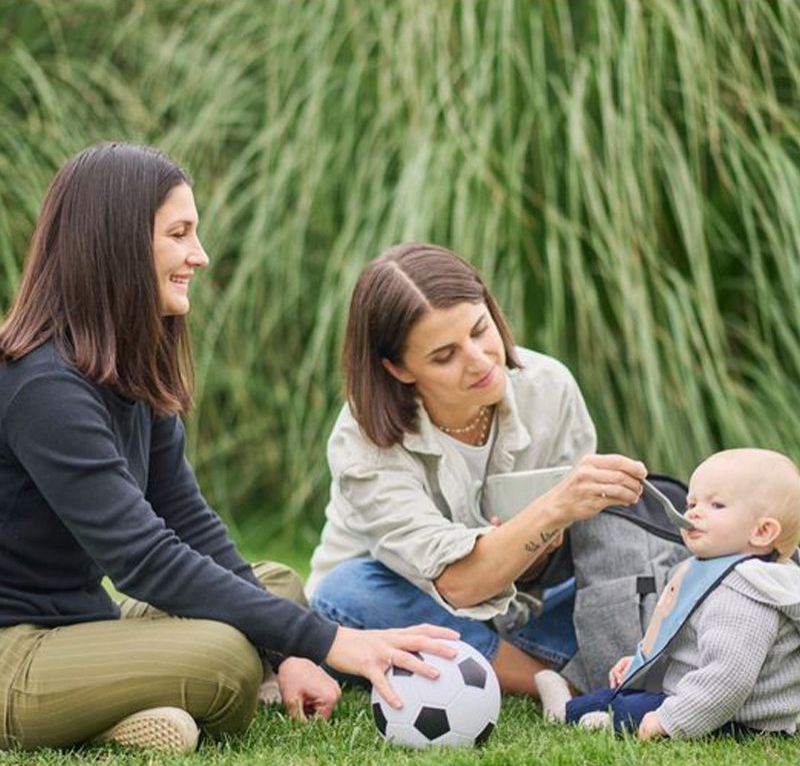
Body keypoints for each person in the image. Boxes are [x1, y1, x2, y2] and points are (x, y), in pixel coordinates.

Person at [0, 143, 459, 754]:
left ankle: (124, 709)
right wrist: (328, 642)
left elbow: (189, 523)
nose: (200, 255)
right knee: (224, 660)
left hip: (84, 623)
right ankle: (113, 709)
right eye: (179, 234)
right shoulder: (43, 387)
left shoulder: (128, 369)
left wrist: (289, 650)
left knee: (276, 584)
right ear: (117, 244)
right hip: (15, 653)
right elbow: (145, 560)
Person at [306, 242, 681, 697]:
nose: (481, 360)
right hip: (405, 603)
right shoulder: (363, 439)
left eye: (480, 330)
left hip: (519, 606)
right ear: (398, 369)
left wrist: (543, 545)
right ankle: (556, 677)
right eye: (444, 356)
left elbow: (553, 564)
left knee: (627, 577)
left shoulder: (549, 386)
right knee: (345, 592)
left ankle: (529, 660)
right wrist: (553, 509)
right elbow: (458, 585)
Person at [535, 448, 800, 738]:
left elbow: (728, 680)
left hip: (741, 718)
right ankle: (566, 712)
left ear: (762, 532)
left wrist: (669, 721)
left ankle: (600, 720)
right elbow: (684, 642)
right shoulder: (713, 570)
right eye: (692, 503)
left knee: (633, 708)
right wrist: (640, 663)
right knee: (616, 696)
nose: (694, 512)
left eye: (717, 505)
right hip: (695, 694)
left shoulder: (746, 595)